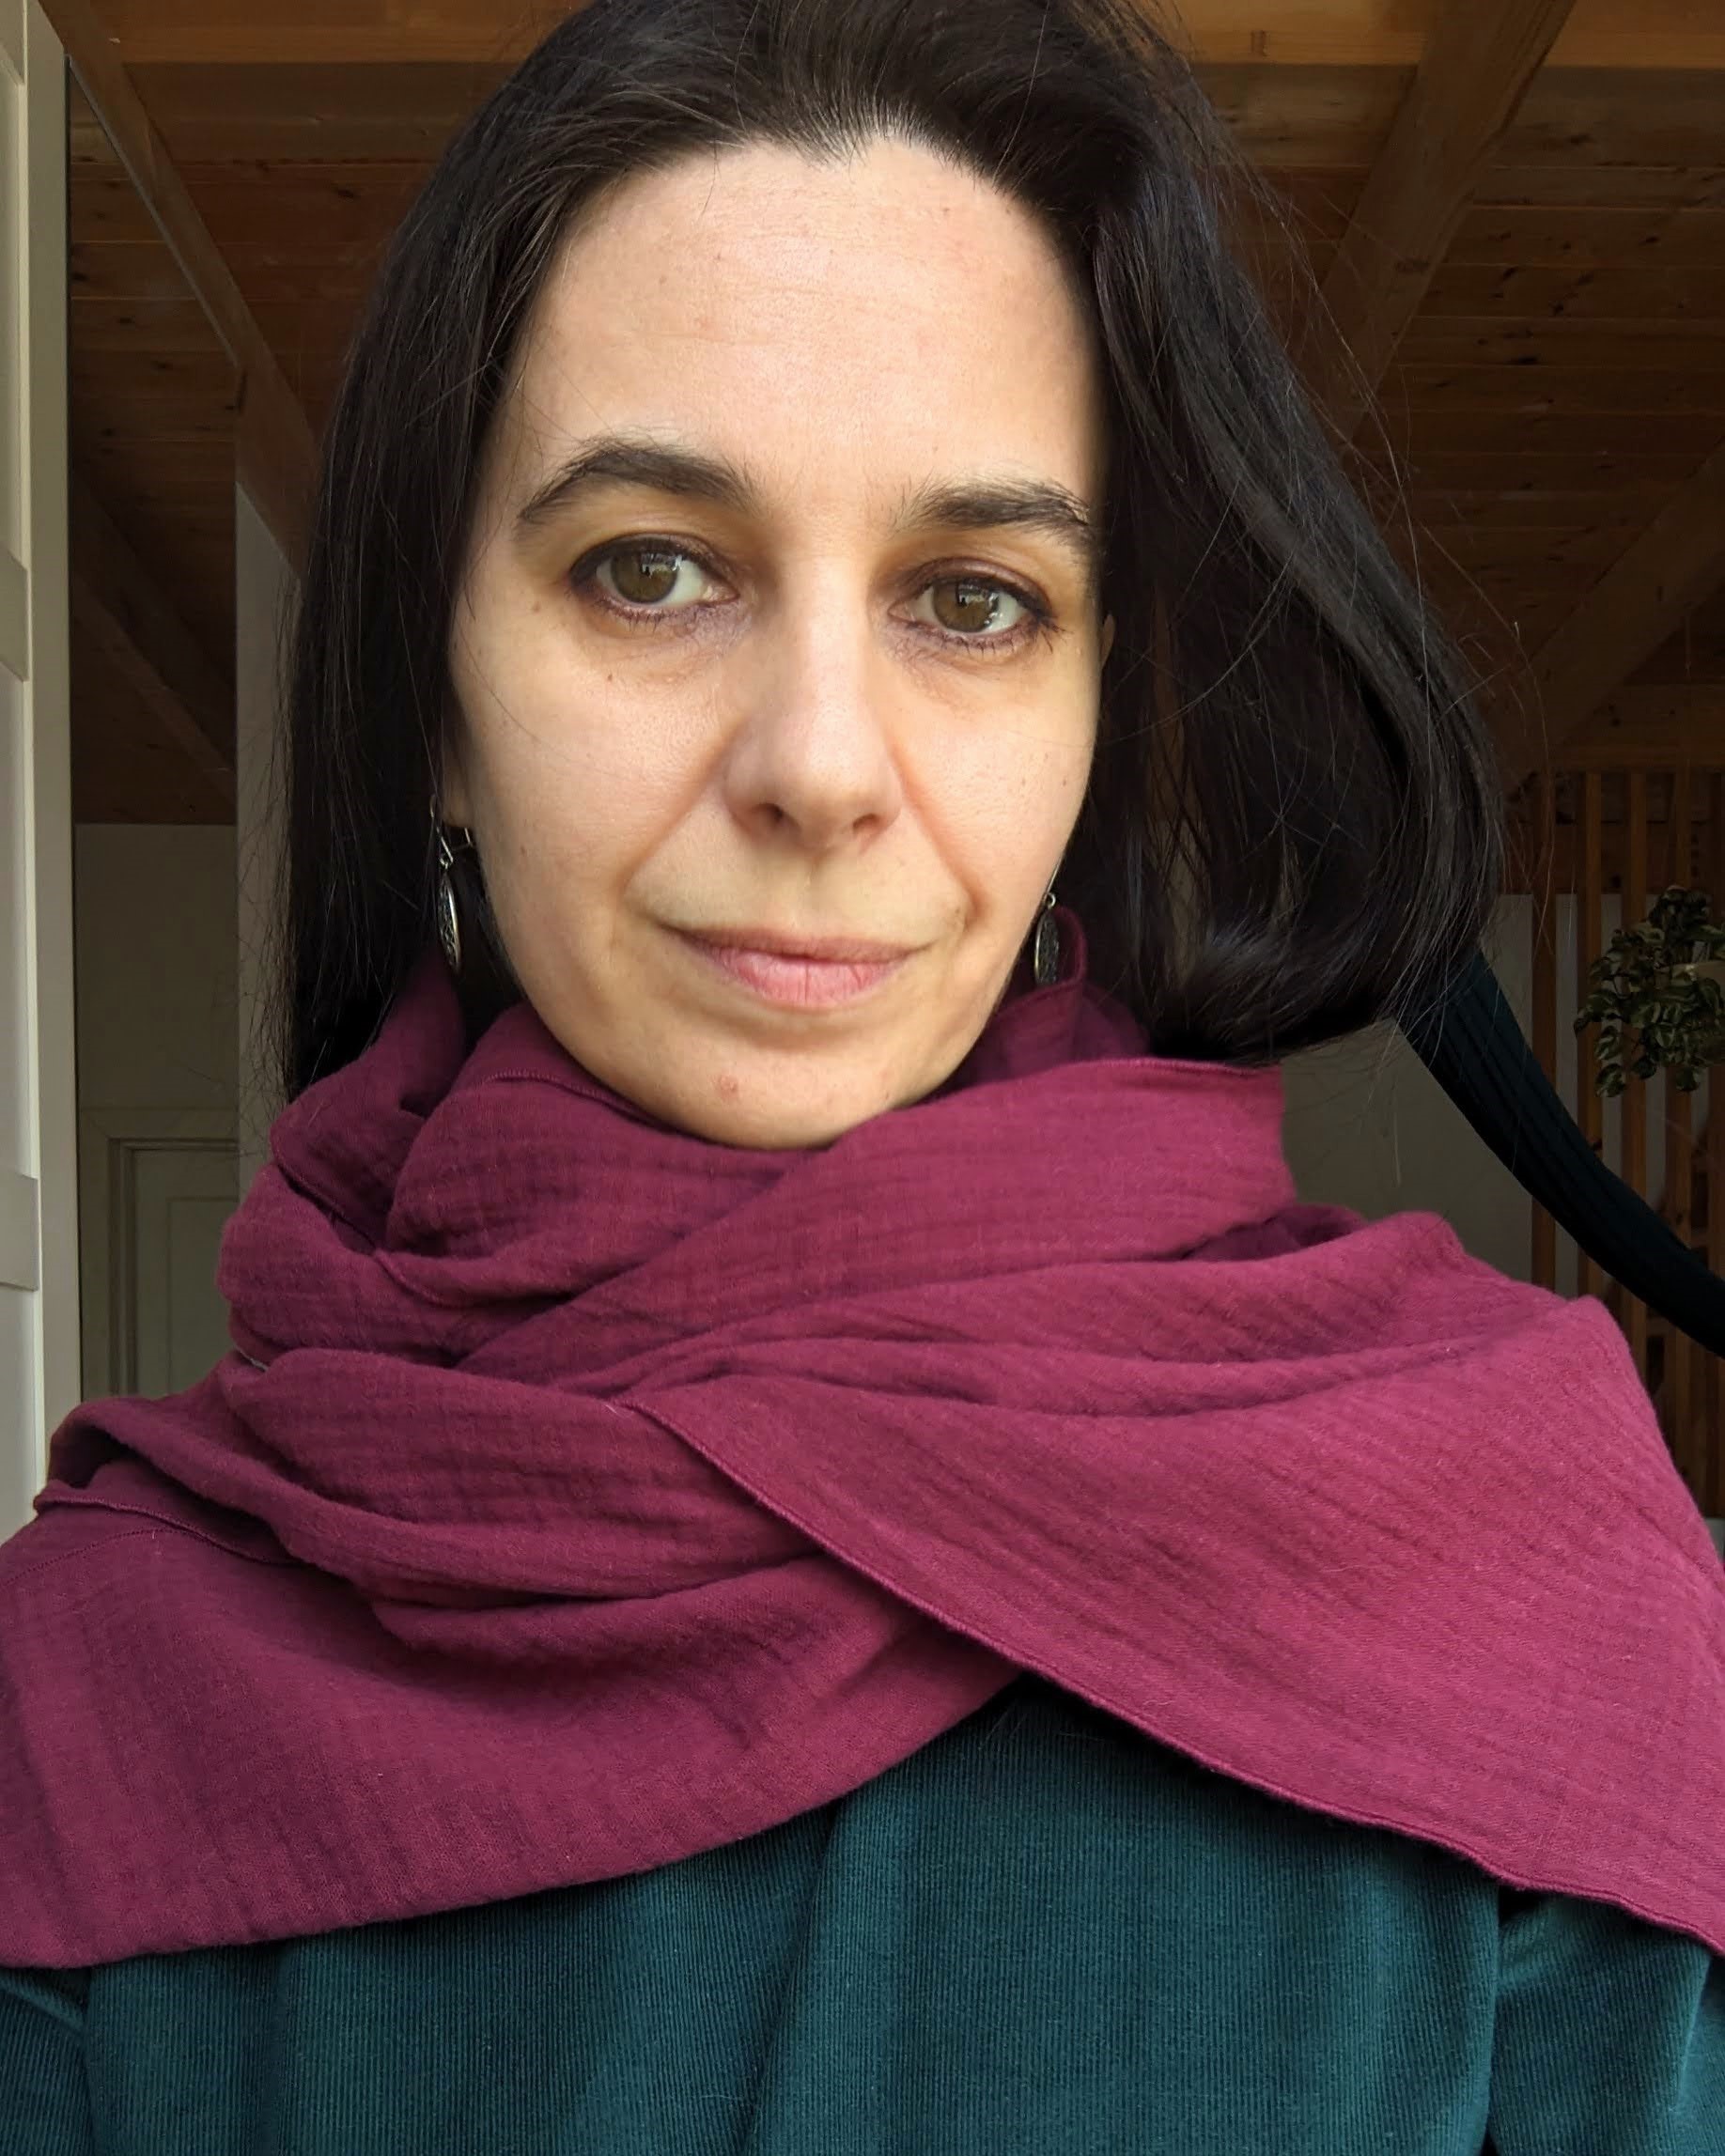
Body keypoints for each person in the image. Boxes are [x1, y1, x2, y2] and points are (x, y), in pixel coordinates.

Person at [2, 0, 1721, 2148]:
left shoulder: (1531, 1560)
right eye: (650, 570)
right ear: (435, 695)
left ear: (1102, 708)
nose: (818, 764)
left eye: (973, 599)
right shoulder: (97, 1676)